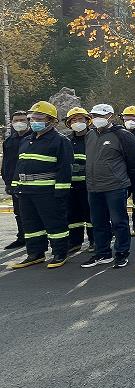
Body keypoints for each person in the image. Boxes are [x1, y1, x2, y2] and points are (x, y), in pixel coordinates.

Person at [9, 101, 73, 269]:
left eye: (39, 118)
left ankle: (60, 253)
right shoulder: (26, 140)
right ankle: (35, 253)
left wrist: (61, 191)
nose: (34, 121)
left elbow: (65, 168)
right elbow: (20, 164)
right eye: (32, 118)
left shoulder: (60, 141)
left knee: (55, 223)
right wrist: (15, 186)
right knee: (30, 224)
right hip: (26, 191)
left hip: (48, 192)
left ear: (51, 121)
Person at [80, 104, 135, 269]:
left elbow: (134, 163)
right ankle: (103, 253)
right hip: (94, 187)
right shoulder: (90, 134)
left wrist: (131, 185)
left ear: (111, 116)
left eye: (101, 116)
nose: (97, 119)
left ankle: (122, 253)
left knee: (119, 222)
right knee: (98, 222)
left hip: (115, 186)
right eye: (94, 116)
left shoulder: (123, 135)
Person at [65, 107, 93, 254]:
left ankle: (94, 241)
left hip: (90, 184)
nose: (77, 122)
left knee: (91, 214)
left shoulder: (94, 137)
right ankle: (75, 242)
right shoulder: (66, 140)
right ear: (69, 124)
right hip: (71, 185)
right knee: (73, 215)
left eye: (80, 119)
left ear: (87, 121)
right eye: (73, 120)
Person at [3, 110, 31, 250]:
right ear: (12, 123)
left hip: (32, 182)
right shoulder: (9, 141)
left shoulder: (34, 138)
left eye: (22, 120)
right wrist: (7, 182)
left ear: (28, 121)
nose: (19, 123)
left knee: (34, 213)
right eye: (16, 121)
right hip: (15, 183)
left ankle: (39, 240)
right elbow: (6, 163)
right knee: (19, 212)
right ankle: (22, 238)